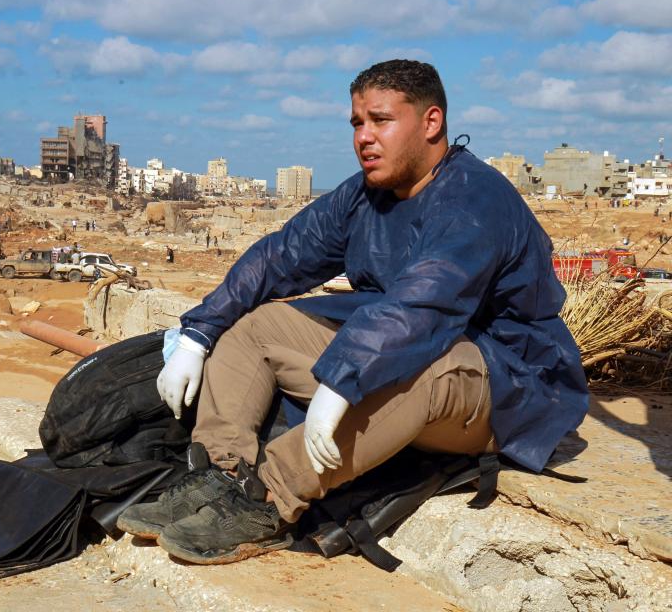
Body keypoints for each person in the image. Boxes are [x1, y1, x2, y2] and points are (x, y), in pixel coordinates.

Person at [118, 60, 588, 565]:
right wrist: (199, 333)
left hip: (505, 381)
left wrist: (343, 380)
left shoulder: (474, 199)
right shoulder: (366, 195)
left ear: (431, 123)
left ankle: (267, 502)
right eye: (357, 123)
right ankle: (220, 476)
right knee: (256, 326)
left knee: (421, 369)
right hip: (403, 348)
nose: (364, 137)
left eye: (381, 120)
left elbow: (424, 305)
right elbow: (281, 256)